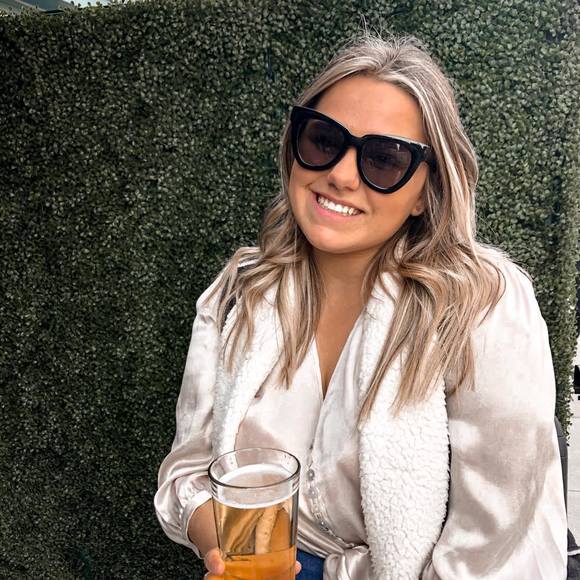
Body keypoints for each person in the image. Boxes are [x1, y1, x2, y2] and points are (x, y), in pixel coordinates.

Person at [154, 31, 568, 579]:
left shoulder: (481, 304)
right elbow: (189, 473)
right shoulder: (242, 291)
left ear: (425, 192)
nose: (342, 175)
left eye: (385, 159)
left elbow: (495, 550)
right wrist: (232, 553)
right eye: (323, 140)